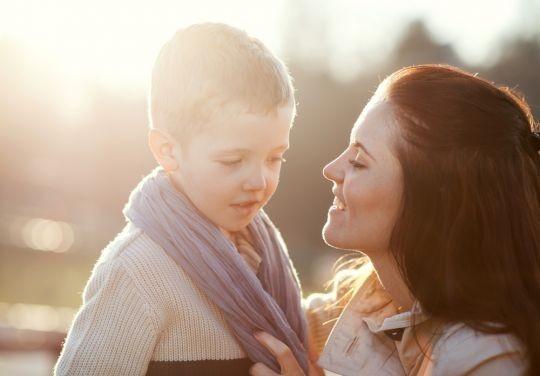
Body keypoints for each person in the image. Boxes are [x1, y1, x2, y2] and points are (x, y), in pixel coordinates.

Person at [250, 65, 540, 375]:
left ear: (431, 196)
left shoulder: (486, 360)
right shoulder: (368, 302)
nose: (331, 168)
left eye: (359, 162)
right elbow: (268, 313)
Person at [54, 23, 310, 375]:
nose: (259, 180)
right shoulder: (136, 272)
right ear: (168, 151)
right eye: (233, 161)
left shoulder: (264, 254)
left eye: (274, 157)